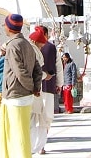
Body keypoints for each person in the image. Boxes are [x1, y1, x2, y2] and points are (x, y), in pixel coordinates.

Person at [0, 14, 41, 158]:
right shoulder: (27, 44)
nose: (4, 27)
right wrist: (36, 87)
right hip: (22, 96)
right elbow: (37, 68)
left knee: (18, 136)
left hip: (16, 95)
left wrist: (31, 87)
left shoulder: (13, 45)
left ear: (10, 27)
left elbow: (20, 72)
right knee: (8, 133)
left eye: (5, 25)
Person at [29, 25, 60, 155]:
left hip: (35, 89)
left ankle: (36, 144)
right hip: (43, 87)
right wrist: (59, 83)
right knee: (44, 118)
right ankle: (39, 145)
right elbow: (58, 67)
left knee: (36, 118)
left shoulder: (29, 48)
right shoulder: (50, 48)